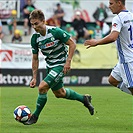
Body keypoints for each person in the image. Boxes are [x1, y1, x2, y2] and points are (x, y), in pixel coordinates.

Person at [23, 9, 94, 125]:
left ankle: (34, 116)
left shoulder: (55, 32)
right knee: (60, 93)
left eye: (36, 23)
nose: (34, 27)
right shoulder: (35, 38)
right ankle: (84, 99)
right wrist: (34, 77)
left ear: (43, 21)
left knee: (42, 87)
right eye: (32, 24)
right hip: (50, 67)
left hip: (61, 65)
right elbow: (35, 58)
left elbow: (72, 43)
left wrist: (68, 62)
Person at [84, 0, 133, 95]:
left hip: (128, 60)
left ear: (119, 3)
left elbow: (113, 37)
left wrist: (96, 42)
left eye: (111, 4)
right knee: (112, 80)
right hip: (125, 58)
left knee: (131, 87)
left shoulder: (118, 18)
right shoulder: (131, 15)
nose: (109, 6)